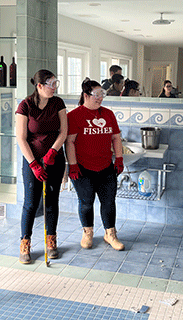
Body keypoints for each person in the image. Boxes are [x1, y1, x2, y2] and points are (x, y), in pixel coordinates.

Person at [66, 78, 125, 251]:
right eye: (96, 95)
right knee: (86, 202)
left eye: (102, 94)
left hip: (106, 166)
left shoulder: (108, 114)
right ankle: (87, 233)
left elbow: (116, 137)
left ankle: (110, 234)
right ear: (86, 95)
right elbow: (70, 142)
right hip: (83, 168)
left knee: (109, 202)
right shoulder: (74, 116)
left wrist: (119, 159)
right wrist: (73, 165)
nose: (100, 98)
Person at [15, 69, 67, 264]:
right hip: (32, 161)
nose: (54, 88)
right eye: (50, 84)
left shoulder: (58, 103)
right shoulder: (25, 105)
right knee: (31, 202)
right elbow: (21, 138)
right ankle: (25, 242)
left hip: (54, 159)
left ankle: (51, 240)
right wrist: (34, 164)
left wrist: (53, 152)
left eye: (56, 83)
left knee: (52, 201)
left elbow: (64, 132)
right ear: (39, 86)